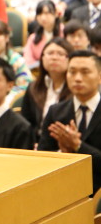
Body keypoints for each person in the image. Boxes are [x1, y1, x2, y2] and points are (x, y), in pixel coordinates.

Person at [38, 50, 101, 193]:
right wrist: (63, 152)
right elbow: (42, 159)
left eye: (85, 72)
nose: (78, 78)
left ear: (99, 77)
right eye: (72, 72)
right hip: (63, 190)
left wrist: (78, 146)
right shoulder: (56, 112)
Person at [22, 38, 73, 143]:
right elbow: (26, 124)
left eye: (60, 54)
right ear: (42, 58)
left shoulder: (75, 90)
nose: (54, 57)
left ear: (70, 59)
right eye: (50, 53)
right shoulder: (33, 88)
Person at [24, 0, 62, 69]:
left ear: (56, 13)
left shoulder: (64, 32)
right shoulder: (33, 37)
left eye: (47, 13)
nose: (43, 17)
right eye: (40, 14)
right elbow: (27, 58)